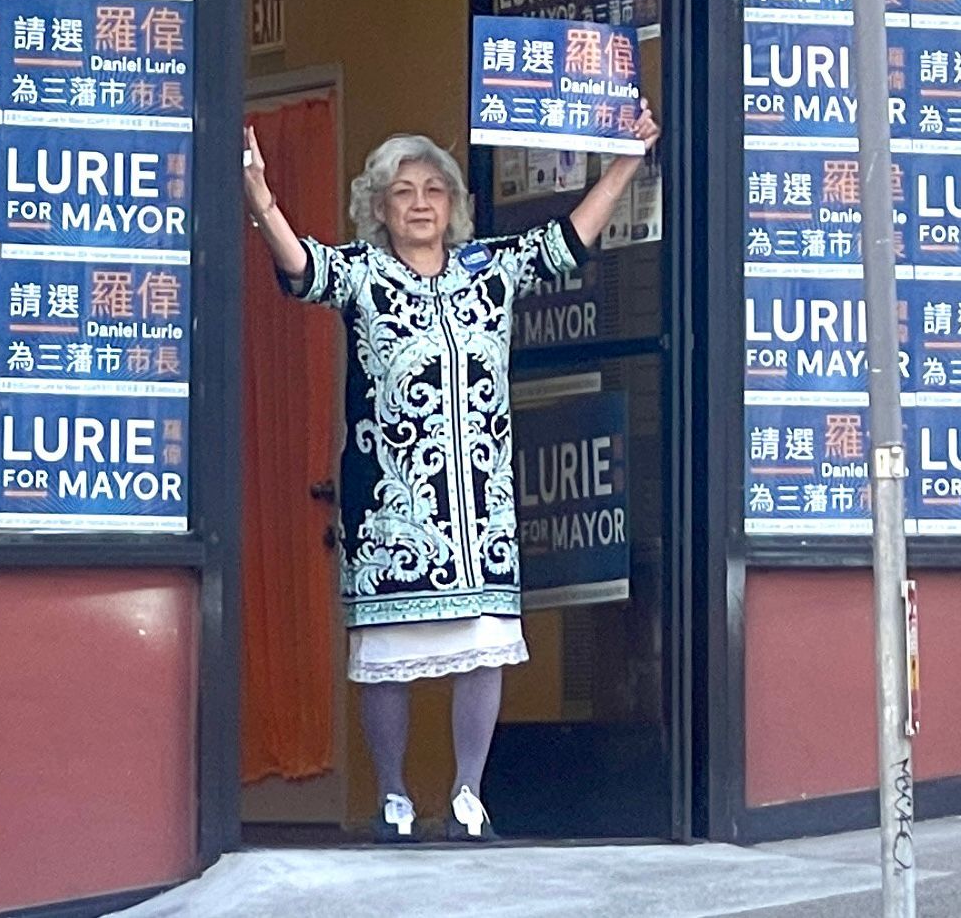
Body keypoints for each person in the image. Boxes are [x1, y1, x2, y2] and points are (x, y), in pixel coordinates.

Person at [244, 105, 660, 842]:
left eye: (434, 190)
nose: (420, 203)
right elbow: (303, 268)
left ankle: (469, 794)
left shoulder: (488, 270)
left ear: (455, 206)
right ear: (379, 207)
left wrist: (627, 160)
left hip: (479, 507)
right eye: (403, 191)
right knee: (387, 653)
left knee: (483, 639)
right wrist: (262, 200)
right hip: (392, 509)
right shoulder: (363, 274)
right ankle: (396, 797)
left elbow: (568, 241)